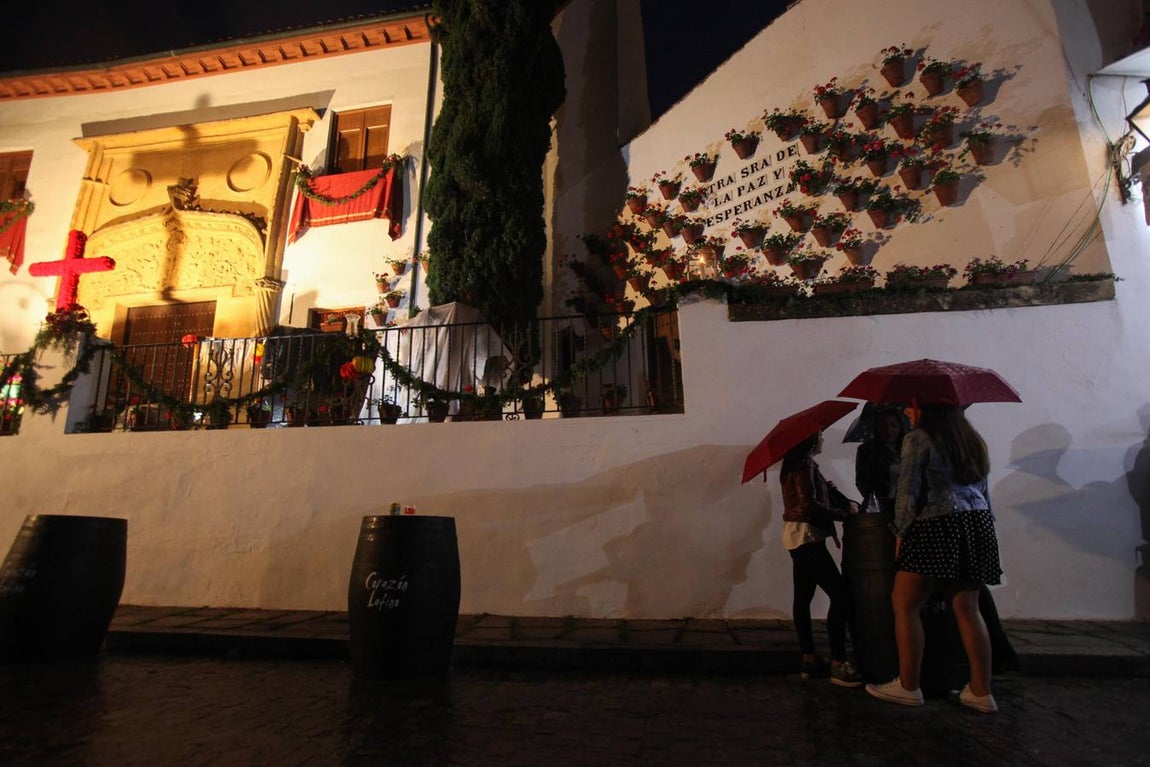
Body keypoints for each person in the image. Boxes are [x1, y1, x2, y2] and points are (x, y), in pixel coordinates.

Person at [865, 405, 1003, 713]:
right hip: (976, 523)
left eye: (913, 404)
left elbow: (908, 493)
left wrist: (900, 534)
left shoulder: (918, 438)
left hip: (936, 523)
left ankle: (908, 685)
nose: (908, 410)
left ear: (928, 406)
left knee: (905, 604)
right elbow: (984, 490)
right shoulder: (972, 439)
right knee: (968, 608)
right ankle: (981, 691)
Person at [780, 431, 863, 687]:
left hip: (798, 536)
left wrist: (832, 493)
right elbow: (809, 506)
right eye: (820, 436)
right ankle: (838, 663)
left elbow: (811, 498)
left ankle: (809, 659)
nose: (823, 440)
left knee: (803, 597)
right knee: (841, 595)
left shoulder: (799, 464)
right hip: (808, 537)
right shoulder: (804, 465)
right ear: (811, 442)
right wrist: (843, 515)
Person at [854, 407, 907, 522]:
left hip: (907, 506)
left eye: (893, 425)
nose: (889, 430)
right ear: (877, 429)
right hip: (882, 508)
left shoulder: (909, 448)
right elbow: (861, 481)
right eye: (883, 426)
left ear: (900, 427)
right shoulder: (867, 450)